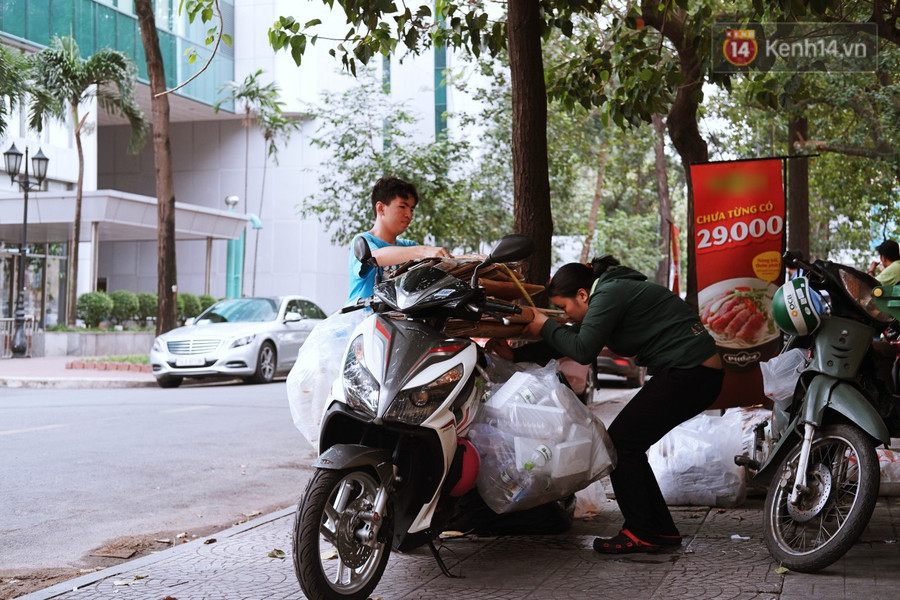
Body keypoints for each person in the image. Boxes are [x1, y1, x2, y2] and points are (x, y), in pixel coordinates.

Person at [486, 256, 724, 554]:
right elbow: (573, 337)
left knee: (621, 444)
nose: (566, 314)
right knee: (628, 445)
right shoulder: (610, 293)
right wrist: (517, 355)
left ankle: (642, 532)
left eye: (564, 307)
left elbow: (582, 350)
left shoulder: (609, 293)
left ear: (582, 295)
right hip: (692, 372)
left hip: (691, 372)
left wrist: (544, 324)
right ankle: (659, 530)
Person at [347, 176, 451, 302]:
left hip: (397, 315)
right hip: (363, 314)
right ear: (381, 208)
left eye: (412, 209)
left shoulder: (409, 246)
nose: (409, 215)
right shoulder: (363, 240)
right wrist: (424, 251)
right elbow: (375, 257)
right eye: (402, 207)